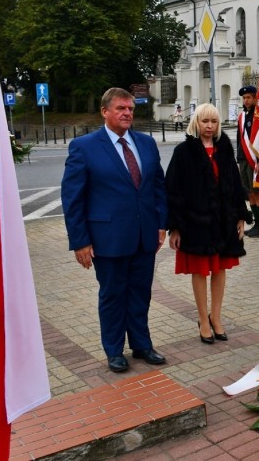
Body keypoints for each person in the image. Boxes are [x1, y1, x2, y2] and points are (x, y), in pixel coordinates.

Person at [61, 87, 168, 373]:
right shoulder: (84, 147)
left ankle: (142, 345)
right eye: (121, 108)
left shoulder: (146, 144)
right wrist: (80, 241)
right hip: (107, 239)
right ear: (105, 111)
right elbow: (72, 198)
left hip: (145, 235)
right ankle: (114, 350)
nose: (127, 113)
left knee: (140, 292)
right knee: (113, 294)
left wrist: (161, 224)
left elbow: (158, 186)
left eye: (130, 109)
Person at [166, 103, 251, 344]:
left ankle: (217, 317)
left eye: (214, 121)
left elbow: (235, 184)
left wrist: (240, 216)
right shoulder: (184, 151)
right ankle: (203, 319)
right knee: (201, 271)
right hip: (195, 223)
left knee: (220, 269)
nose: (210, 126)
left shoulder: (224, 148)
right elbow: (172, 190)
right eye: (205, 121)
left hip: (223, 221)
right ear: (196, 123)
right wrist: (175, 226)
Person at [237, 86, 259, 238]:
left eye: (249, 97)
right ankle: (257, 223)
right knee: (249, 193)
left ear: (255, 98)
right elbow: (239, 139)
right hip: (243, 159)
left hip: (255, 160)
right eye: (244, 98)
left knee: (257, 192)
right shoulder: (243, 116)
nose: (246, 100)